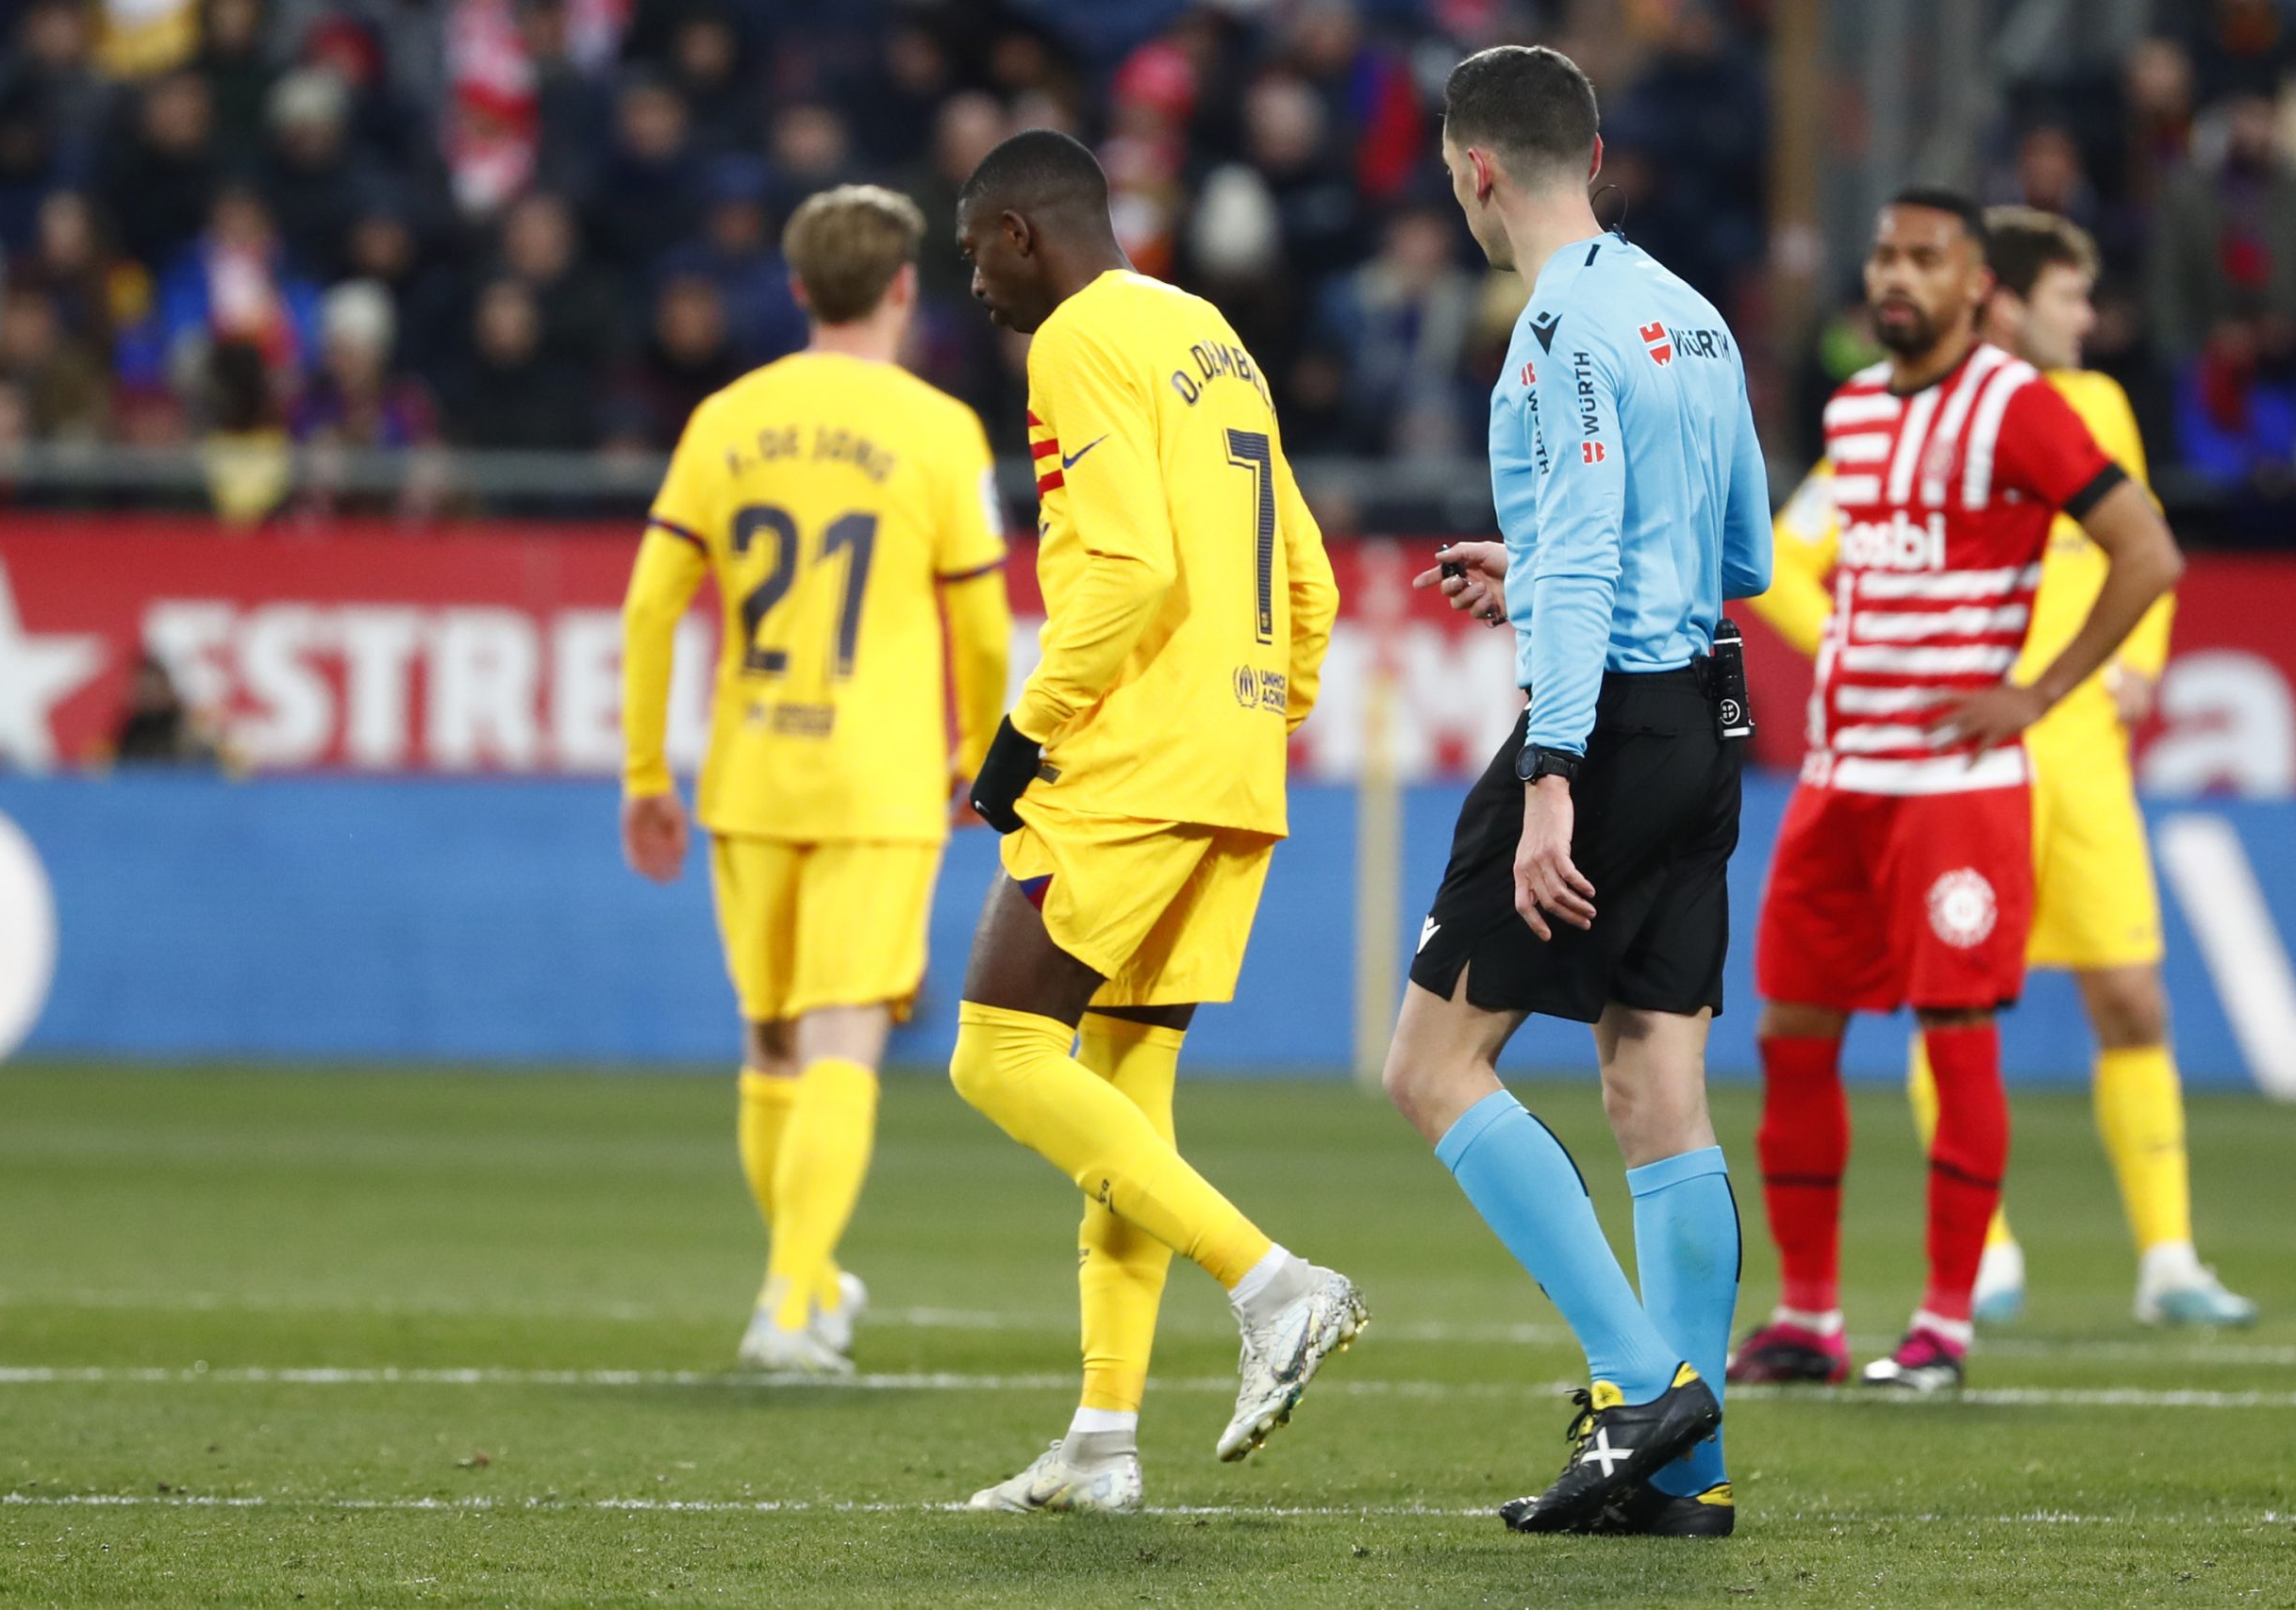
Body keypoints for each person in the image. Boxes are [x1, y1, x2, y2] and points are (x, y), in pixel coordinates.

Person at [1381, 44, 1772, 1540]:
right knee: (1654, 1087)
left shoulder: (1549, 332)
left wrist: (1550, 779)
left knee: (1431, 1065)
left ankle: (1640, 1388)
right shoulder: (1697, 318)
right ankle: (1689, 1477)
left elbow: (1598, 560)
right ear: (1592, 154)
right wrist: (1531, 563)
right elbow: (1743, 554)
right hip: (1703, 719)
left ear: (1477, 169)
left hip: (1600, 735)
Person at [945, 128, 1358, 1514]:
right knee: (1122, 1100)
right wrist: (1259, 708)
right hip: (1228, 757)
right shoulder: (1213, 336)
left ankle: (1274, 1282)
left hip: (1130, 754)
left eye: (974, 256)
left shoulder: (1073, 341)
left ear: (1018, 232)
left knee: (998, 1052)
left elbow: (1125, 568)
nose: (977, 290)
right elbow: (1307, 576)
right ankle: (1105, 1440)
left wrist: (1025, 733)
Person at [1749, 208, 2254, 1331]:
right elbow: (1783, 556)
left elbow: (2145, 544)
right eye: (2073, 297)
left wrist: (2134, 665)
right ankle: (1981, 1260)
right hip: (1951, 754)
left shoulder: (2088, 408)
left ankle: (2168, 1257)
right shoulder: (1886, 417)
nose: (2092, 318)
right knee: (1947, 1005)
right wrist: (1861, 641)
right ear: (2007, 299)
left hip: (2073, 755)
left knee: (2127, 997)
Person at [619, 185, 1012, 1376]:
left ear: (796, 290)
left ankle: (804, 1278)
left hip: (751, 774)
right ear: (903, 289)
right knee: (845, 1039)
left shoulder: (727, 417)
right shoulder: (938, 430)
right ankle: (788, 1308)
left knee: (773, 1046)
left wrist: (646, 768)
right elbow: (986, 629)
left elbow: (649, 606)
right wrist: (981, 753)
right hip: (881, 778)